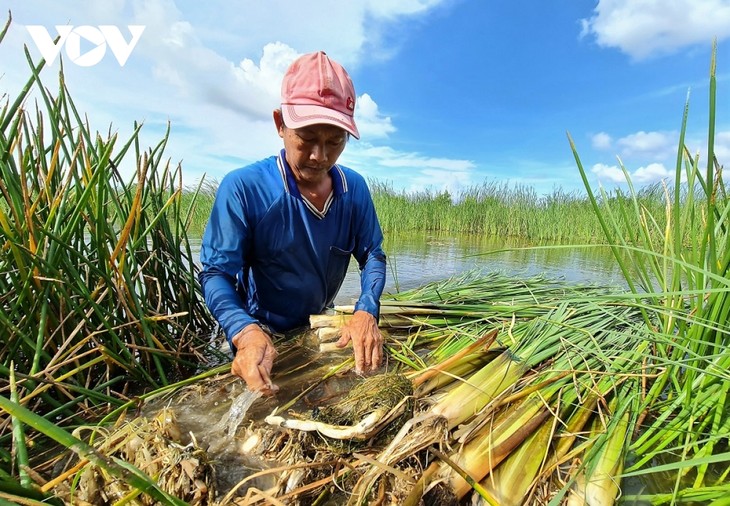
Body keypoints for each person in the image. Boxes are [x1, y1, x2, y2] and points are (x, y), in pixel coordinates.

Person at [199, 51, 387, 395]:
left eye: (334, 142)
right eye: (307, 138)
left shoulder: (354, 189)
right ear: (280, 124)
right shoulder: (244, 188)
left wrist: (366, 310)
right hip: (260, 328)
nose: (320, 156)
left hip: (317, 324)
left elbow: (372, 254)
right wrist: (243, 331)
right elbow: (216, 274)